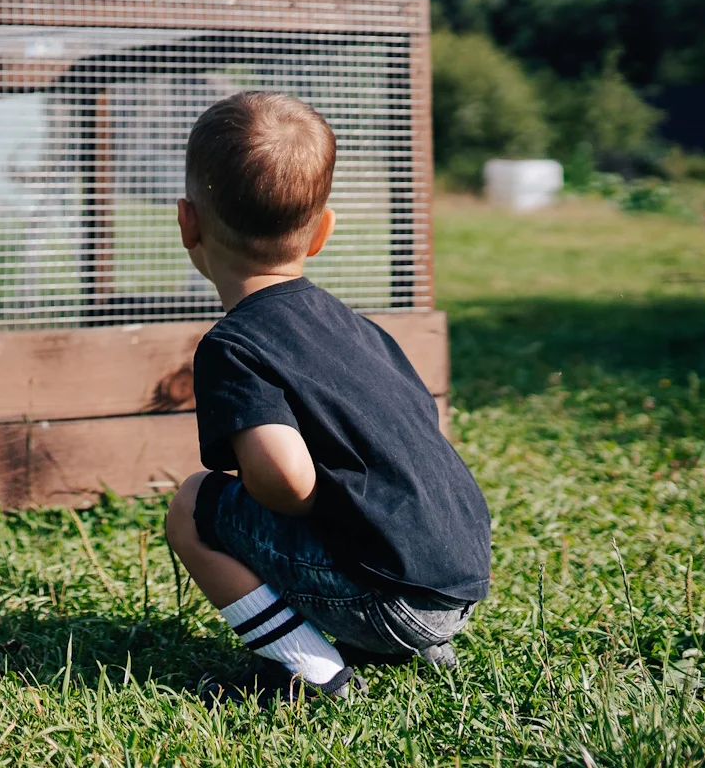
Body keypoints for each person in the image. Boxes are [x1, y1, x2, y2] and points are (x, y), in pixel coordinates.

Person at [162, 91, 492, 702]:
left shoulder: (235, 346)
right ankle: (415, 646)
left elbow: (286, 481)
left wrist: (260, 500)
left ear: (188, 223)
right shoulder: (358, 328)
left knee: (191, 506)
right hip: (458, 580)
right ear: (322, 231)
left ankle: (309, 670)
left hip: (389, 600)